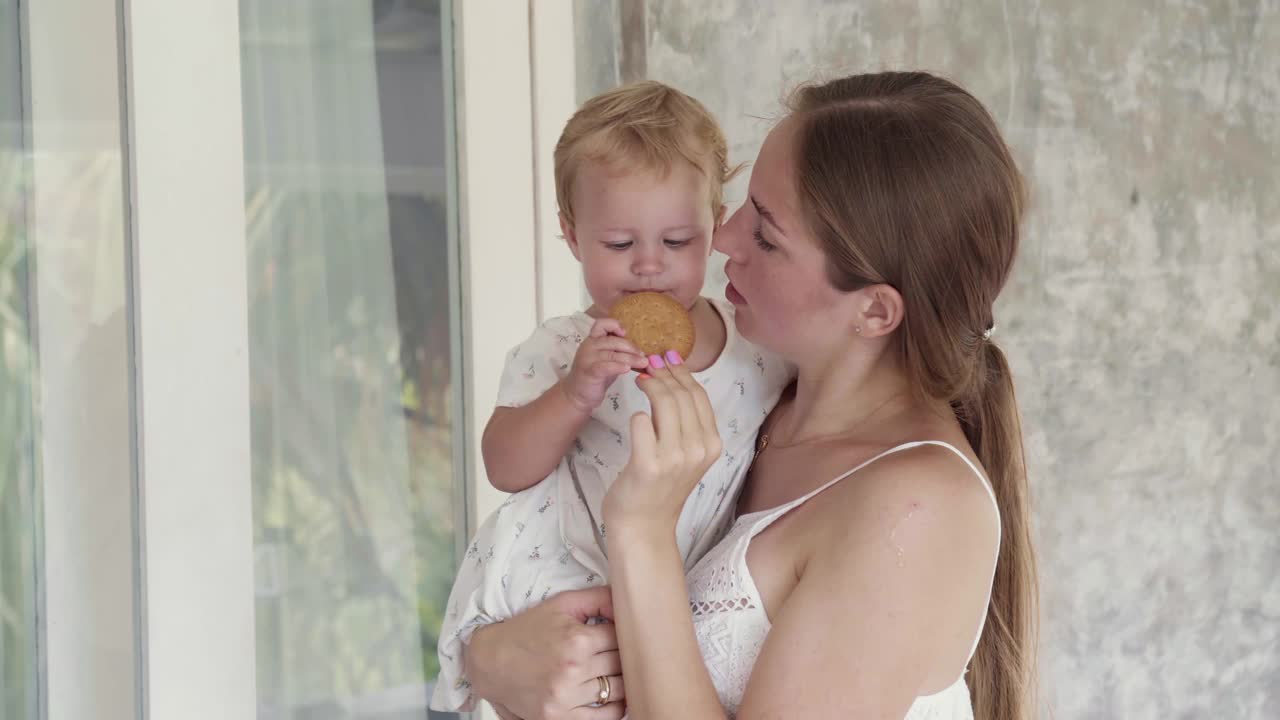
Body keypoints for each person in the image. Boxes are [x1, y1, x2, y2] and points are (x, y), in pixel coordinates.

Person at [461, 71, 1040, 720]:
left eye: (766, 235)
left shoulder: (916, 509)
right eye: (741, 209)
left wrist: (643, 529)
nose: (725, 241)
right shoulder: (757, 403)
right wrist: (488, 656)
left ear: (875, 311)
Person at [430, 80, 793, 713]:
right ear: (572, 237)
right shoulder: (561, 347)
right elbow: (504, 465)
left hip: (677, 598)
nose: (649, 267)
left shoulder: (757, 349)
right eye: (620, 245)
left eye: (677, 242)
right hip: (564, 581)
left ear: (715, 226)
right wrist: (576, 391)